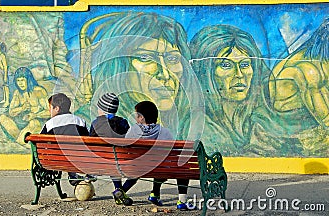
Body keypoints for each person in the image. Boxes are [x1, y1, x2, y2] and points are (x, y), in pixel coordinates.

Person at [75, 12, 204, 142]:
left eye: (172, 58)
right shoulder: (88, 117)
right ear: (120, 65)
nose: (165, 74)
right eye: (146, 58)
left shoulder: (190, 122)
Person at [189, 24, 273, 156]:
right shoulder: (200, 126)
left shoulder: (265, 119)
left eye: (245, 64)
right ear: (205, 71)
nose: (239, 74)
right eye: (226, 65)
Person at [125, 101, 193, 210]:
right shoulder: (164, 132)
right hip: (160, 168)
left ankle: (155, 194)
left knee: (158, 164)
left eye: (137, 115)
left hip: (138, 167)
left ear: (142, 118)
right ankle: (182, 202)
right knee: (182, 166)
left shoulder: (133, 131)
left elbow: (126, 147)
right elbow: (173, 152)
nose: (135, 117)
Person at [88, 93, 133, 205]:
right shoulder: (123, 122)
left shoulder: (95, 123)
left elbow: (90, 142)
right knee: (117, 161)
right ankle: (121, 190)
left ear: (101, 109)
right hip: (121, 161)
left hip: (100, 161)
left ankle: (119, 190)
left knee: (112, 162)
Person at [40, 92, 89, 186]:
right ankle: (73, 175)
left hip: (56, 160)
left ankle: (73, 175)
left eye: (50, 108)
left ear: (57, 108)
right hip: (79, 158)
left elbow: (41, 141)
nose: (48, 110)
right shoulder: (80, 121)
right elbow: (88, 140)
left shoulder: (50, 124)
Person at [0, 67, 49, 148]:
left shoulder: (38, 91)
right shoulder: (18, 93)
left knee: (33, 123)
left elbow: (49, 112)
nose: (20, 83)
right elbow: (11, 112)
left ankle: (21, 142)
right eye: (18, 81)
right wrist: (22, 108)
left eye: (22, 80)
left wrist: (35, 115)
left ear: (28, 80)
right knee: (3, 118)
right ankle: (21, 140)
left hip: (37, 123)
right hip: (21, 123)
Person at [0, 42, 10, 108]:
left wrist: (5, 76)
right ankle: (4, 99)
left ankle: (7, 101)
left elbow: (5, 66)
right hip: (0, 72)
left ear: (0, 48)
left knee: (6, 87)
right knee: (3, 86)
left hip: (3, 72)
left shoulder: (2, 56)